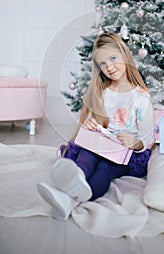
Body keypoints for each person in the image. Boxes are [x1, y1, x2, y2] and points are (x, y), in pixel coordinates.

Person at [37, 32, 155, 220]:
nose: (109, 67)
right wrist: (90, 123)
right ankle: (73, 180)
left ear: (125, 55)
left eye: (113, 58)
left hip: (124, 153)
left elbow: (148, 135)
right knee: (86, 157)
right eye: (103, 64)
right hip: (101, 143)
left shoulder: (141, 97)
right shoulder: (102, 91)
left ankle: (71, 200)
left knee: (104, 169)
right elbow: (95, 122)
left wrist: (136, 142)